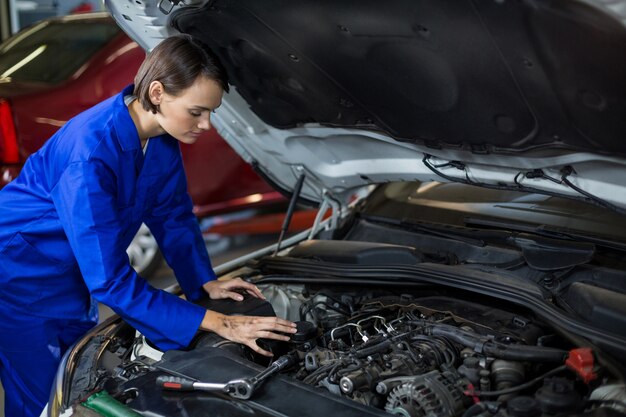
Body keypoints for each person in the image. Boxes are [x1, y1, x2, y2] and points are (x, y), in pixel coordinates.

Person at [0, 34, 297, 417]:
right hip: (19, 273)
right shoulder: (89, 154)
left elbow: (173, 215)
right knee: (42, 396)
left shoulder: (158, 137)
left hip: (69, 270)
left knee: (78, 376)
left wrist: (202, 282)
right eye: (196, 111)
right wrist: (217, 321)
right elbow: (109, 280)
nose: (206, 125)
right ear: (157, 92)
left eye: (211, 112)